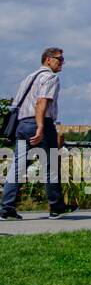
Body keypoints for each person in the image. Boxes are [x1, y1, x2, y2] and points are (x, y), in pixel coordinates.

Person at [2, 47, 77, 219]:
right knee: (50, 164)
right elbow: (41, 102)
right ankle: (56, 207)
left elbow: (15, 105)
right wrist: (41, 127)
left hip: (22, 125)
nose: (62, 62)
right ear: (48, 59)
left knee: (18, 166)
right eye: (60, 59)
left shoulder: (29, 77)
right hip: (40, 123)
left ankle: (6, 207)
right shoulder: (50, 77)